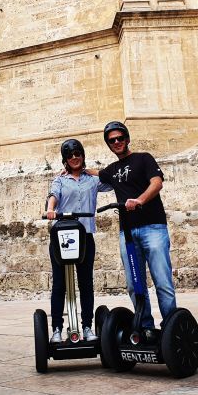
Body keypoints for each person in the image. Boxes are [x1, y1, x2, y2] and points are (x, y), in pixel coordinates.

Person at [97, 121, 176, 331]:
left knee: (163, 283)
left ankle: (171, 329)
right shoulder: (111, 170)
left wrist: (140, 200)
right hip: (128, 233)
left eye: (120, 138)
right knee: (135, 286)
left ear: (127, 139)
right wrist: (71, 169)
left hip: (153, 228)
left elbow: (157, 182)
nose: (116, 142)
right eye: (112, 140)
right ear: (109, 145)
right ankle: (146, 329)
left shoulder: (144, 158)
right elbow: (93, 175)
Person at [45, 138, 112, 343]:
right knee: (59, 285)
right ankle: (57, 328)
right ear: (65, 159)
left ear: (82, 155)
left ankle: (87, 327)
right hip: (62, 236)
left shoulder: (92, 180)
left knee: (85, 284)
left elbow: (111, 180)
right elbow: (53, 196)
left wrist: (92, 171)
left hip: (85, 237)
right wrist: (50, 209)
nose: (74, 158)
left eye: (78, 154)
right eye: (70, 155)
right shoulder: (60, 180)